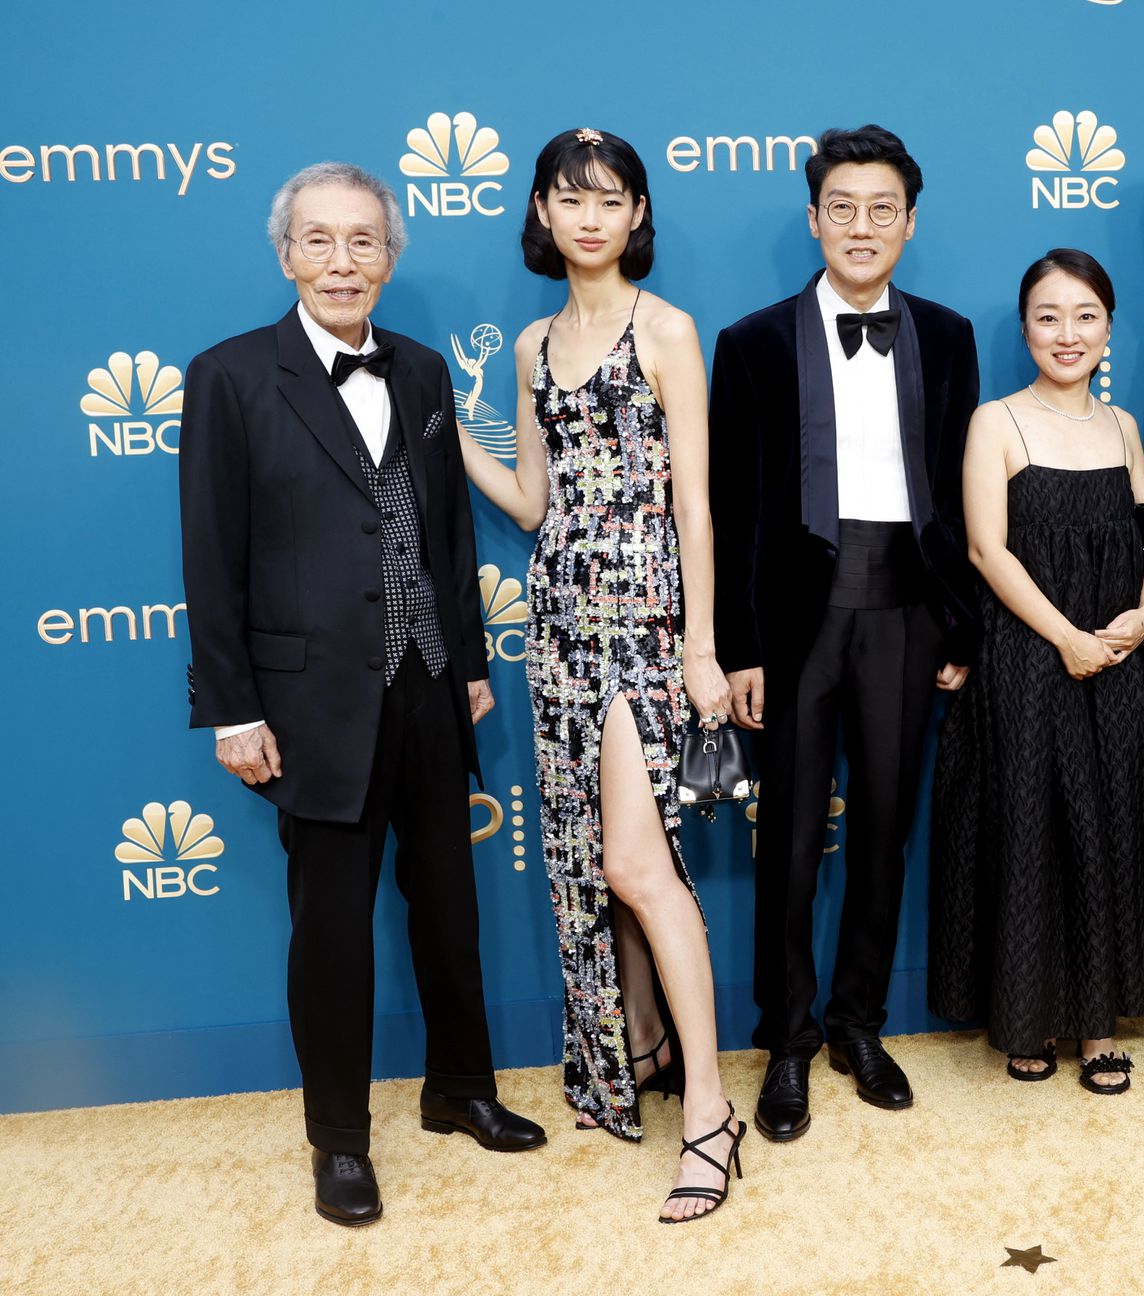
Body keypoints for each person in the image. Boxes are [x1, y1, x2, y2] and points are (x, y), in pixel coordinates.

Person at [179, 162, 546, 1228]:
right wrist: (233, 708)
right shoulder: (232, 376)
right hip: (309, 704)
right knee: (332, 928)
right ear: (285, 253)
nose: (343, 262)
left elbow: (446, 533)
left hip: (430, 684)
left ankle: (460, 1088)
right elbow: (212, 556)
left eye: (364, 242)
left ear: (393, 255)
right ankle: (339, 1140)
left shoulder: (427, 373)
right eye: (320, 241)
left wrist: (470, 662)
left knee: (449, 908)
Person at [451, 128, 742, 1221]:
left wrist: (702, 648)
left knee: (635, 864)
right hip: (560, 625)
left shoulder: (665, 329)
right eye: (569, 199)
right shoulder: (529, 348)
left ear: (635, 216)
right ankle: (645, 1052)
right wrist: (447, 431)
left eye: (609, 199)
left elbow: (695, 503)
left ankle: (711, 1113)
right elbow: (532, 504)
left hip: (648, 629)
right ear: (540, 211)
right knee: (591, 860)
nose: (588, 217)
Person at [709, 125, 980, 1142]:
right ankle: (784, 1038)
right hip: (793, 620)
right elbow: (732, 507)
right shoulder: (753, 343)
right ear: (813, 217)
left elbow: (954, 490)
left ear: (909, 223)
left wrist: (960, 621)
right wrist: (739, 647)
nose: (862, 227)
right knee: (787, 837)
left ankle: (857, 1022)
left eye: (883, 210)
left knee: (882, 825)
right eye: (843, 208)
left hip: (908, 609)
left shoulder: (948, 335)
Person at [929, 249, 1144, 1095]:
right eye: (1047, 316)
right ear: (1025, 326)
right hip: (1031, 660)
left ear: (1109, 328)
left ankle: (1101, 1024)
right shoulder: (996, 420)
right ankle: (1029, 1018)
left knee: (1113, 830)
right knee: (1034, 837)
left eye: (1084, 317)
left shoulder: (1121, 427)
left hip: (1120, 660)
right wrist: (1064, 636)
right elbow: (984, 549)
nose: (1066, 334)